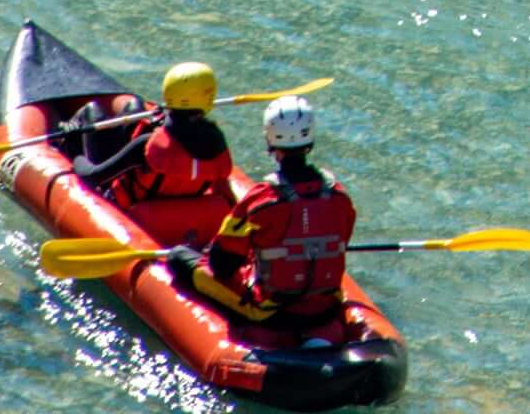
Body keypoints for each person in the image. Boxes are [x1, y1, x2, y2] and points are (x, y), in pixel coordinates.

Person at [167, 94, 356, 325]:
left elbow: (221, 265)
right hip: (327, 306)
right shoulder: (340, 196)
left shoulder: (261, 199)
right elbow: (340, 241)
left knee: (178, 257)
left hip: (272, 311)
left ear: (270, 140)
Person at [67, 62, 236, 206]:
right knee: (134, 106)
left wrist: (75, 149)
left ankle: (69, 134)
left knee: (92, 111)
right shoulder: (217, 142)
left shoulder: (149, 145)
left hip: (134, 206)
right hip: (182, 208)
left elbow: (92, 177)